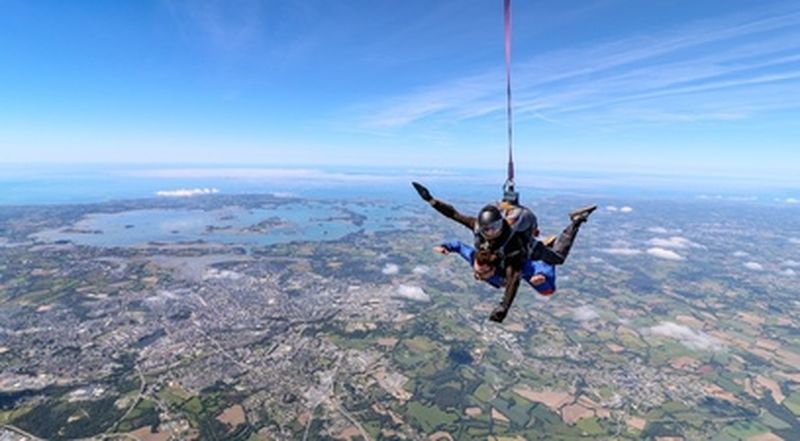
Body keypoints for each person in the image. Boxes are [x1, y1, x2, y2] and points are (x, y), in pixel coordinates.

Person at [412, 182, 595, 322]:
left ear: (501, 224)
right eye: (488, 230)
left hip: (525, 248)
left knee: (557, 259)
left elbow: (514, 280)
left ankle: (576, 221)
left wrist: (503, 308)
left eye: (495, 228)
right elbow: (454, 215)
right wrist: (431, 200)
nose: (491, 233)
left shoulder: (512, 247)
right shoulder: (477, 229)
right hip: (499, 255)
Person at [434, 240, 556, 296]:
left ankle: (546, 248)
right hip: (501, 274)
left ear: (493, 269)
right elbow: (459, 246)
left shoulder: (512, 267)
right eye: (476, 271)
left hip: (521, 260)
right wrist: (445, 247)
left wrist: (541, 275)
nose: (479, 276)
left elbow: (538, 266)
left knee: (546, 291)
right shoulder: (474, 258)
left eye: (483, 273)